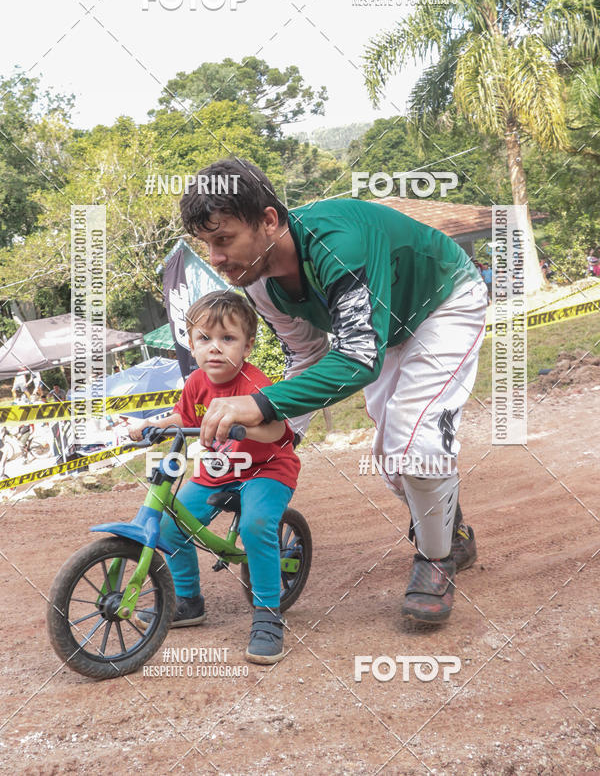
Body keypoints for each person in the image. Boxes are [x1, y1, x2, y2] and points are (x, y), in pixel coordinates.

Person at [178, 158, 488, 625]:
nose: (215, 258)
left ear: (268, 220)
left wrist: (260, 403)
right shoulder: (259, 283)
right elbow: (307, 356)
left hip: (442, 302)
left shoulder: (337, 244)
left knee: (414, 442)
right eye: (207, 244)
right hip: (384, 331)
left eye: (223, 240)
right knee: (394, 462)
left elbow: (360, 359)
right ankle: (451, 530)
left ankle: (436, 559)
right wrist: (278, 436)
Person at [128, 291, 300, 664]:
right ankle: (188, 601)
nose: (215, 348)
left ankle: (268, 615)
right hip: (219, 471)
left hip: (266, 469)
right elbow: (186, 418)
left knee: (256, 526)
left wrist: (244, 426)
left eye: (228, 338)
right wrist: (153, 424)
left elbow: (276, 431)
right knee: (171, 525)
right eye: (204, 338)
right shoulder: (195, 382)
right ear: (191, 345)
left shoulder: (256, 384)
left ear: (247, 346)